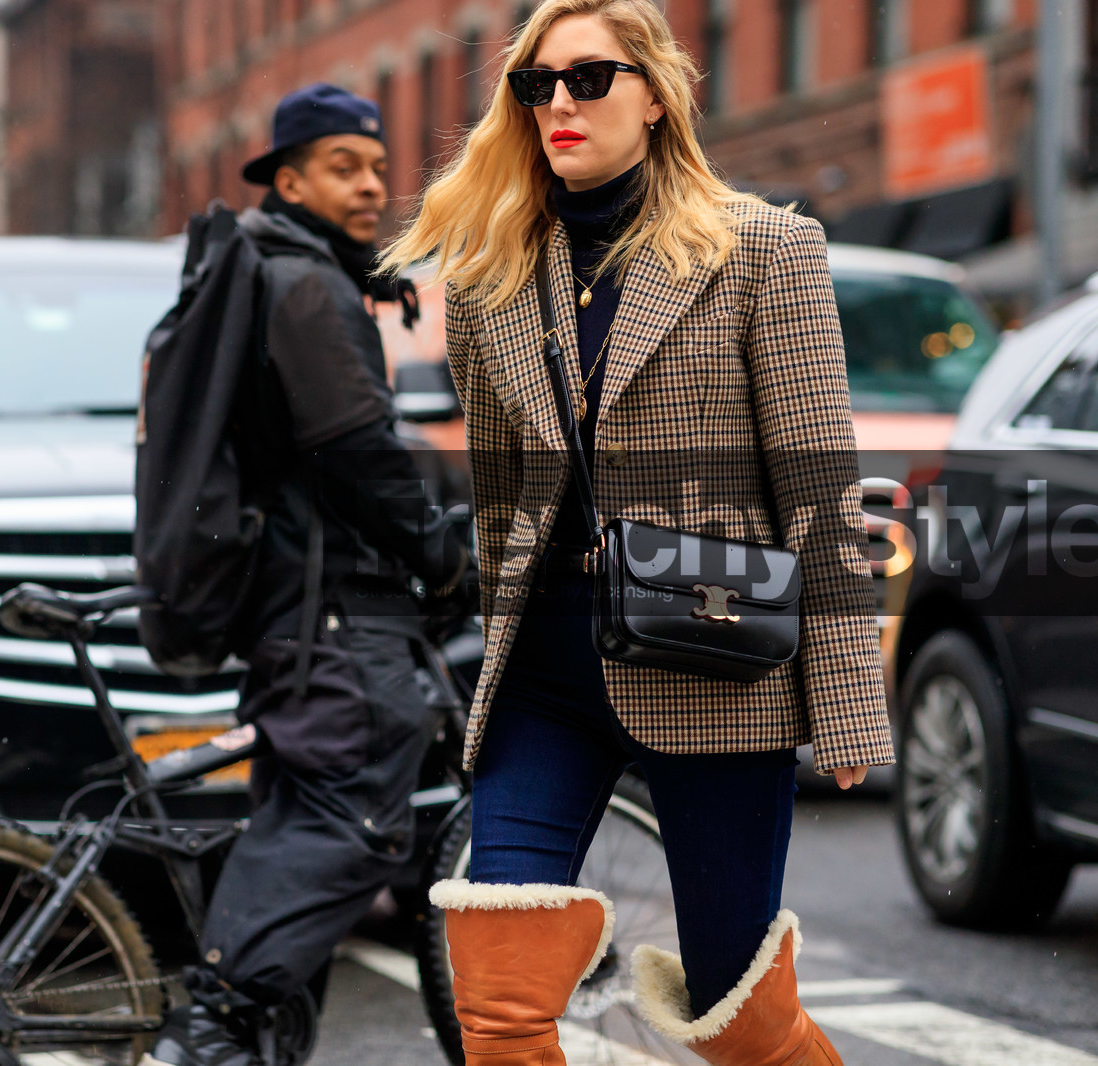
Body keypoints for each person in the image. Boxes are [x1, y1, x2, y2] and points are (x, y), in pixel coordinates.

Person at [380, 2, 893, 1064]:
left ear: (655, 94)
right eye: (534, 85)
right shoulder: (487, 278)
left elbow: (819, 487)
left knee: (735, 1006)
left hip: (713, 663)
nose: (557, 103)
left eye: (588, 78)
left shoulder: (764, 251)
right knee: (499, 995)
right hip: (543, 681)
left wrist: (845, 706)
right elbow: (503, 492)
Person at [142, 84, 471, 1066]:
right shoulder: (305, 285)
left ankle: (249, 1036)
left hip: (294, 620)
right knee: (351, 824)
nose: (371, 184)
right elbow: (356, 451)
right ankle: (208, 1027)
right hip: (335, 621)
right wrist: (442, 554)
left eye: (376, 165)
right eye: (342, 166)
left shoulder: (280, 273)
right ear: (289, 179)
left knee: (301, 821)